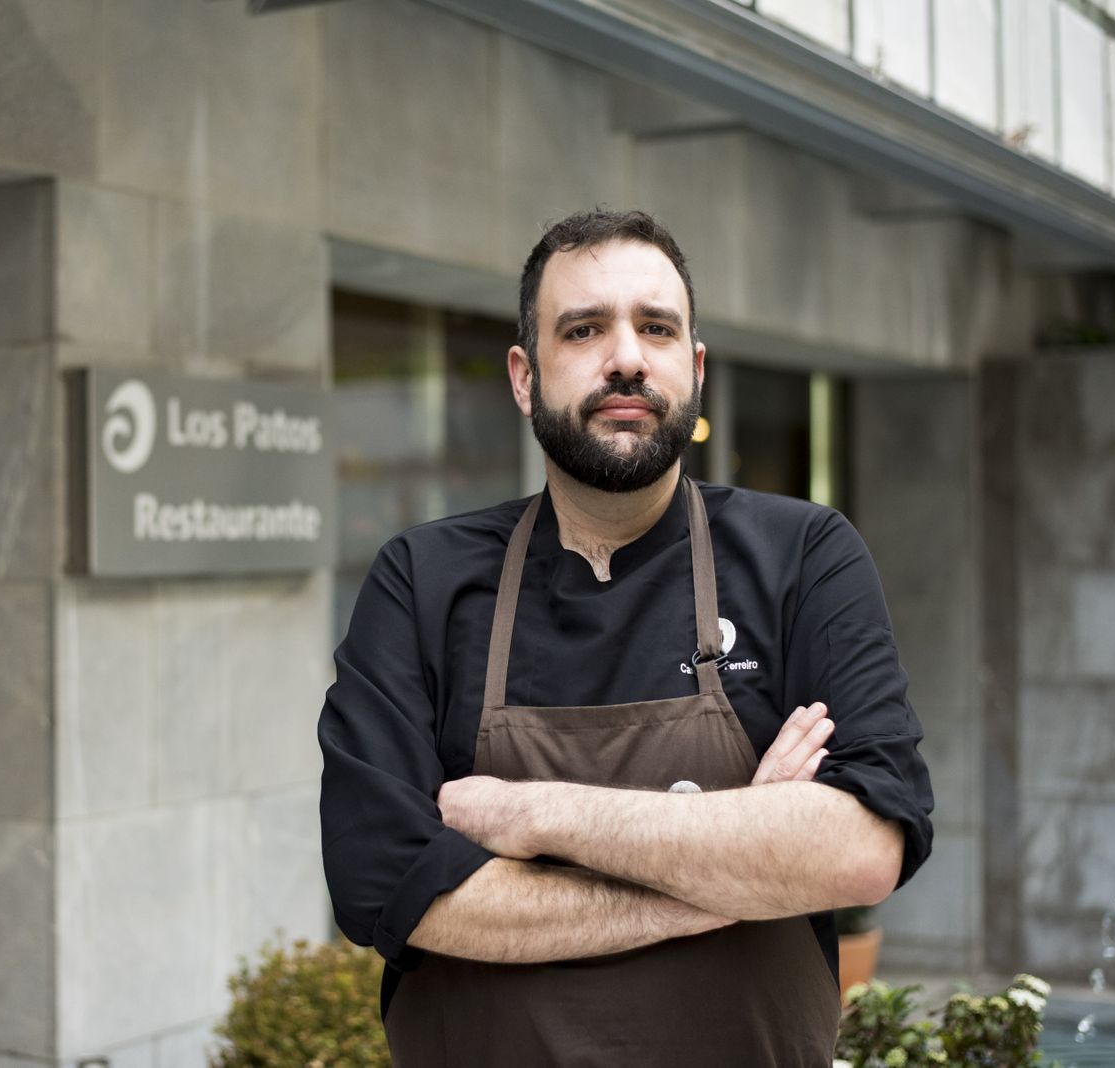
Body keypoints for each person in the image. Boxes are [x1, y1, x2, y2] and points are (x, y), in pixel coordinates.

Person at [317, 210, 935, 1066]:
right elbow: (390, 889)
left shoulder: (803, 557)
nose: (627, 357)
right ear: (525, 377)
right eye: (584, 329)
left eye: (656, 327)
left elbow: (866, 847)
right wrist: (741, 865)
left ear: (695, 367)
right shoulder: (423, 580)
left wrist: (533, 813)